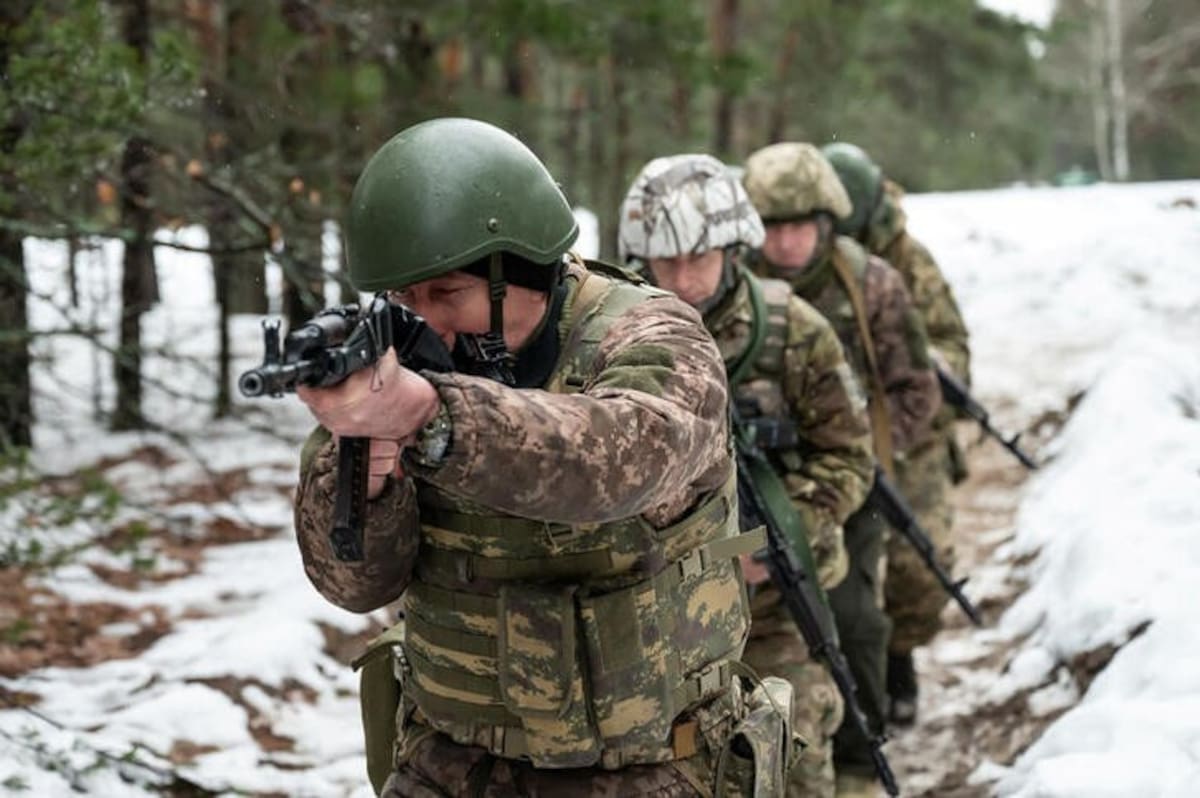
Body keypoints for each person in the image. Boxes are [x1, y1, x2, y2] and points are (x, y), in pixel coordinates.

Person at [291, 118, 792, 797]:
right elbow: (353, 586)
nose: (426, 322)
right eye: (405, 298)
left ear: (521, 269)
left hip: (648, 769)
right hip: (449, 764)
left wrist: (430, 418)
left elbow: (614, 465)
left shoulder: (655, 336)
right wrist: (366, 466)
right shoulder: (401, 364)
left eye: (448, 294)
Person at [618, 153, 875, 797]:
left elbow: (848, 458)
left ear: (733, 250)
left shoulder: (793, 333)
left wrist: (759, 544)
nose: (680, 278)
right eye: (663, 262)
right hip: (647, 609)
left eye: (696, 260)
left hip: (772, 601)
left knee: (789, 754)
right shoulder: (610, 334)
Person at [742, 142, 941, 797]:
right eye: (773, 226)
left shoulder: (870, 283)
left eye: (800, 226)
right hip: (746, 489)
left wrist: (858, 451)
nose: (787, 242)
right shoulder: (733, 287)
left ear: (827, 222)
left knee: (853, 626)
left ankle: (857, 762)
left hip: (846, 487)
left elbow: (916, 388)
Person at [823, 142, 972, 725]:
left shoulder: (909, 261)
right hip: (836, 428)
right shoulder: (805, 260)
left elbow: (954, 345)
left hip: (909, 432)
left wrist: (920, 364)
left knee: (916, 568)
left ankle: (900, 654)